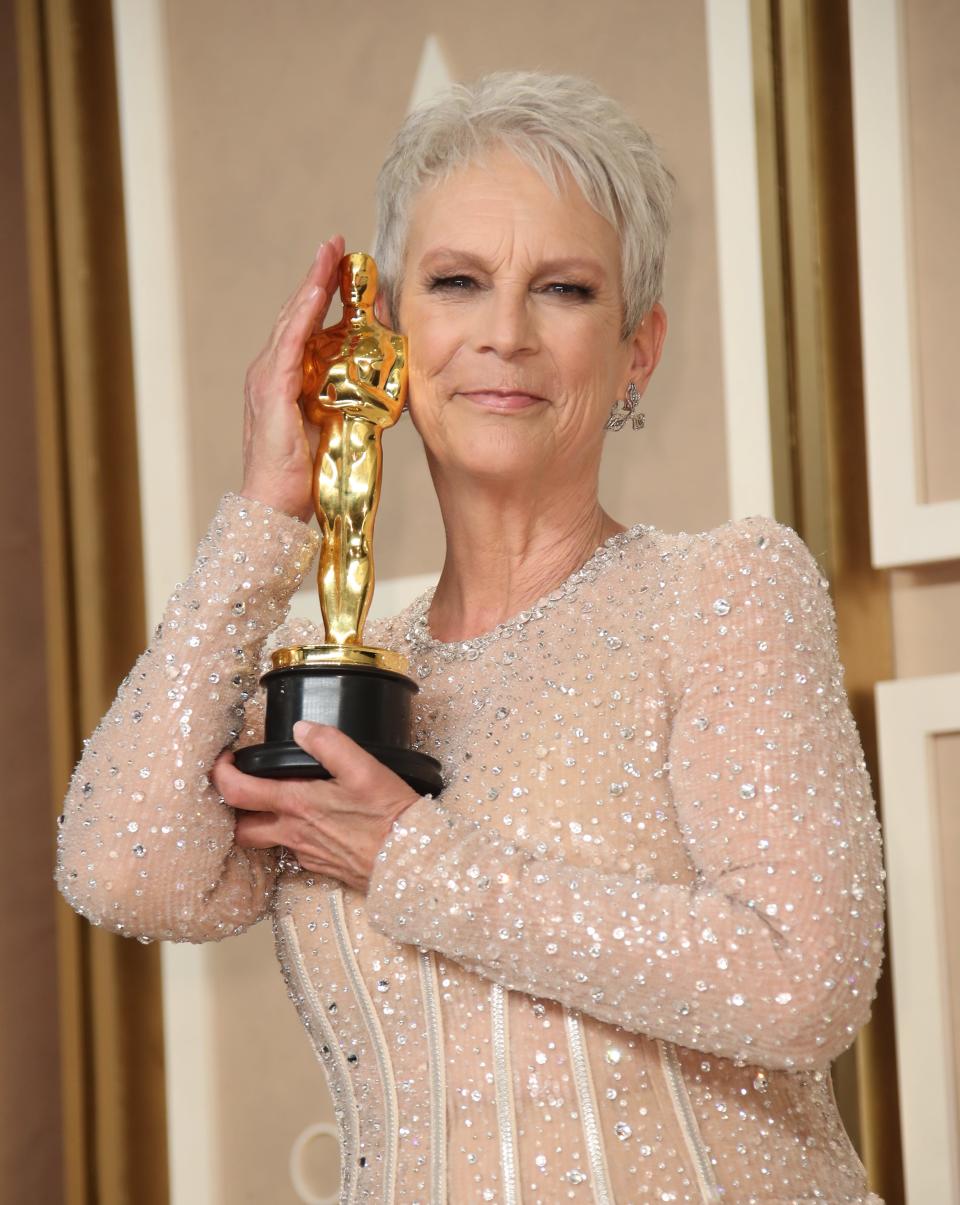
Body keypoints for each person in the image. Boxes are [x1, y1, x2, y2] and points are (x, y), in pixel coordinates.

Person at [56, 72, 885, 1204]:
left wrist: (412, 858)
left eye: (564, 290)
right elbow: (123, 872)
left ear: (638, 350)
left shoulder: (722, 594)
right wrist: (265, 513)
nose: (505, 334)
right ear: (388, 338)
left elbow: (800, 986)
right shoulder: (339, 679)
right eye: (458, 283)